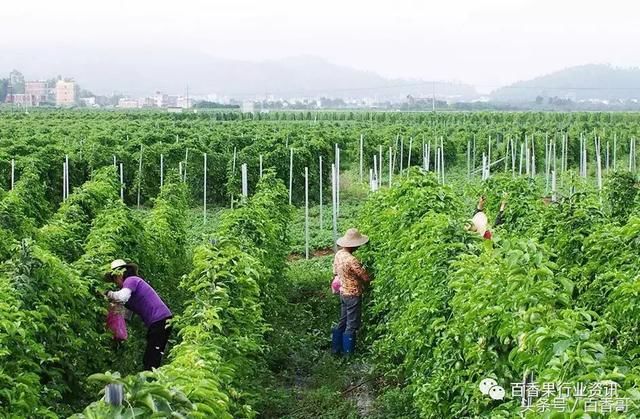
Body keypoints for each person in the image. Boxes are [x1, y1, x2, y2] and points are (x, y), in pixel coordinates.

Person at [105, 259, 173, 370]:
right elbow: (125, 315)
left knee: (151, 358)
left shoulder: (131, 280)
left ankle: (152, 383)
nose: (115, 282)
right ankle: (152, 381)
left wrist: (107, 293)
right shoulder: (128, 288)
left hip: (160, 320)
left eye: (114, 278)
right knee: (152, 356)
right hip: (158, 321)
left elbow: (122, 297)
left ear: (120, 274)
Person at [331, 228, 371, 356]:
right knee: (352, 324)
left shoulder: (339, 254)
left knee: (343, 320)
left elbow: (335, 271)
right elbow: (364, 276)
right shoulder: (351, 260)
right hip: (353, 294)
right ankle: (348, 355)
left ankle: (336, 349)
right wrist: (370, 279)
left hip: (343, 292)